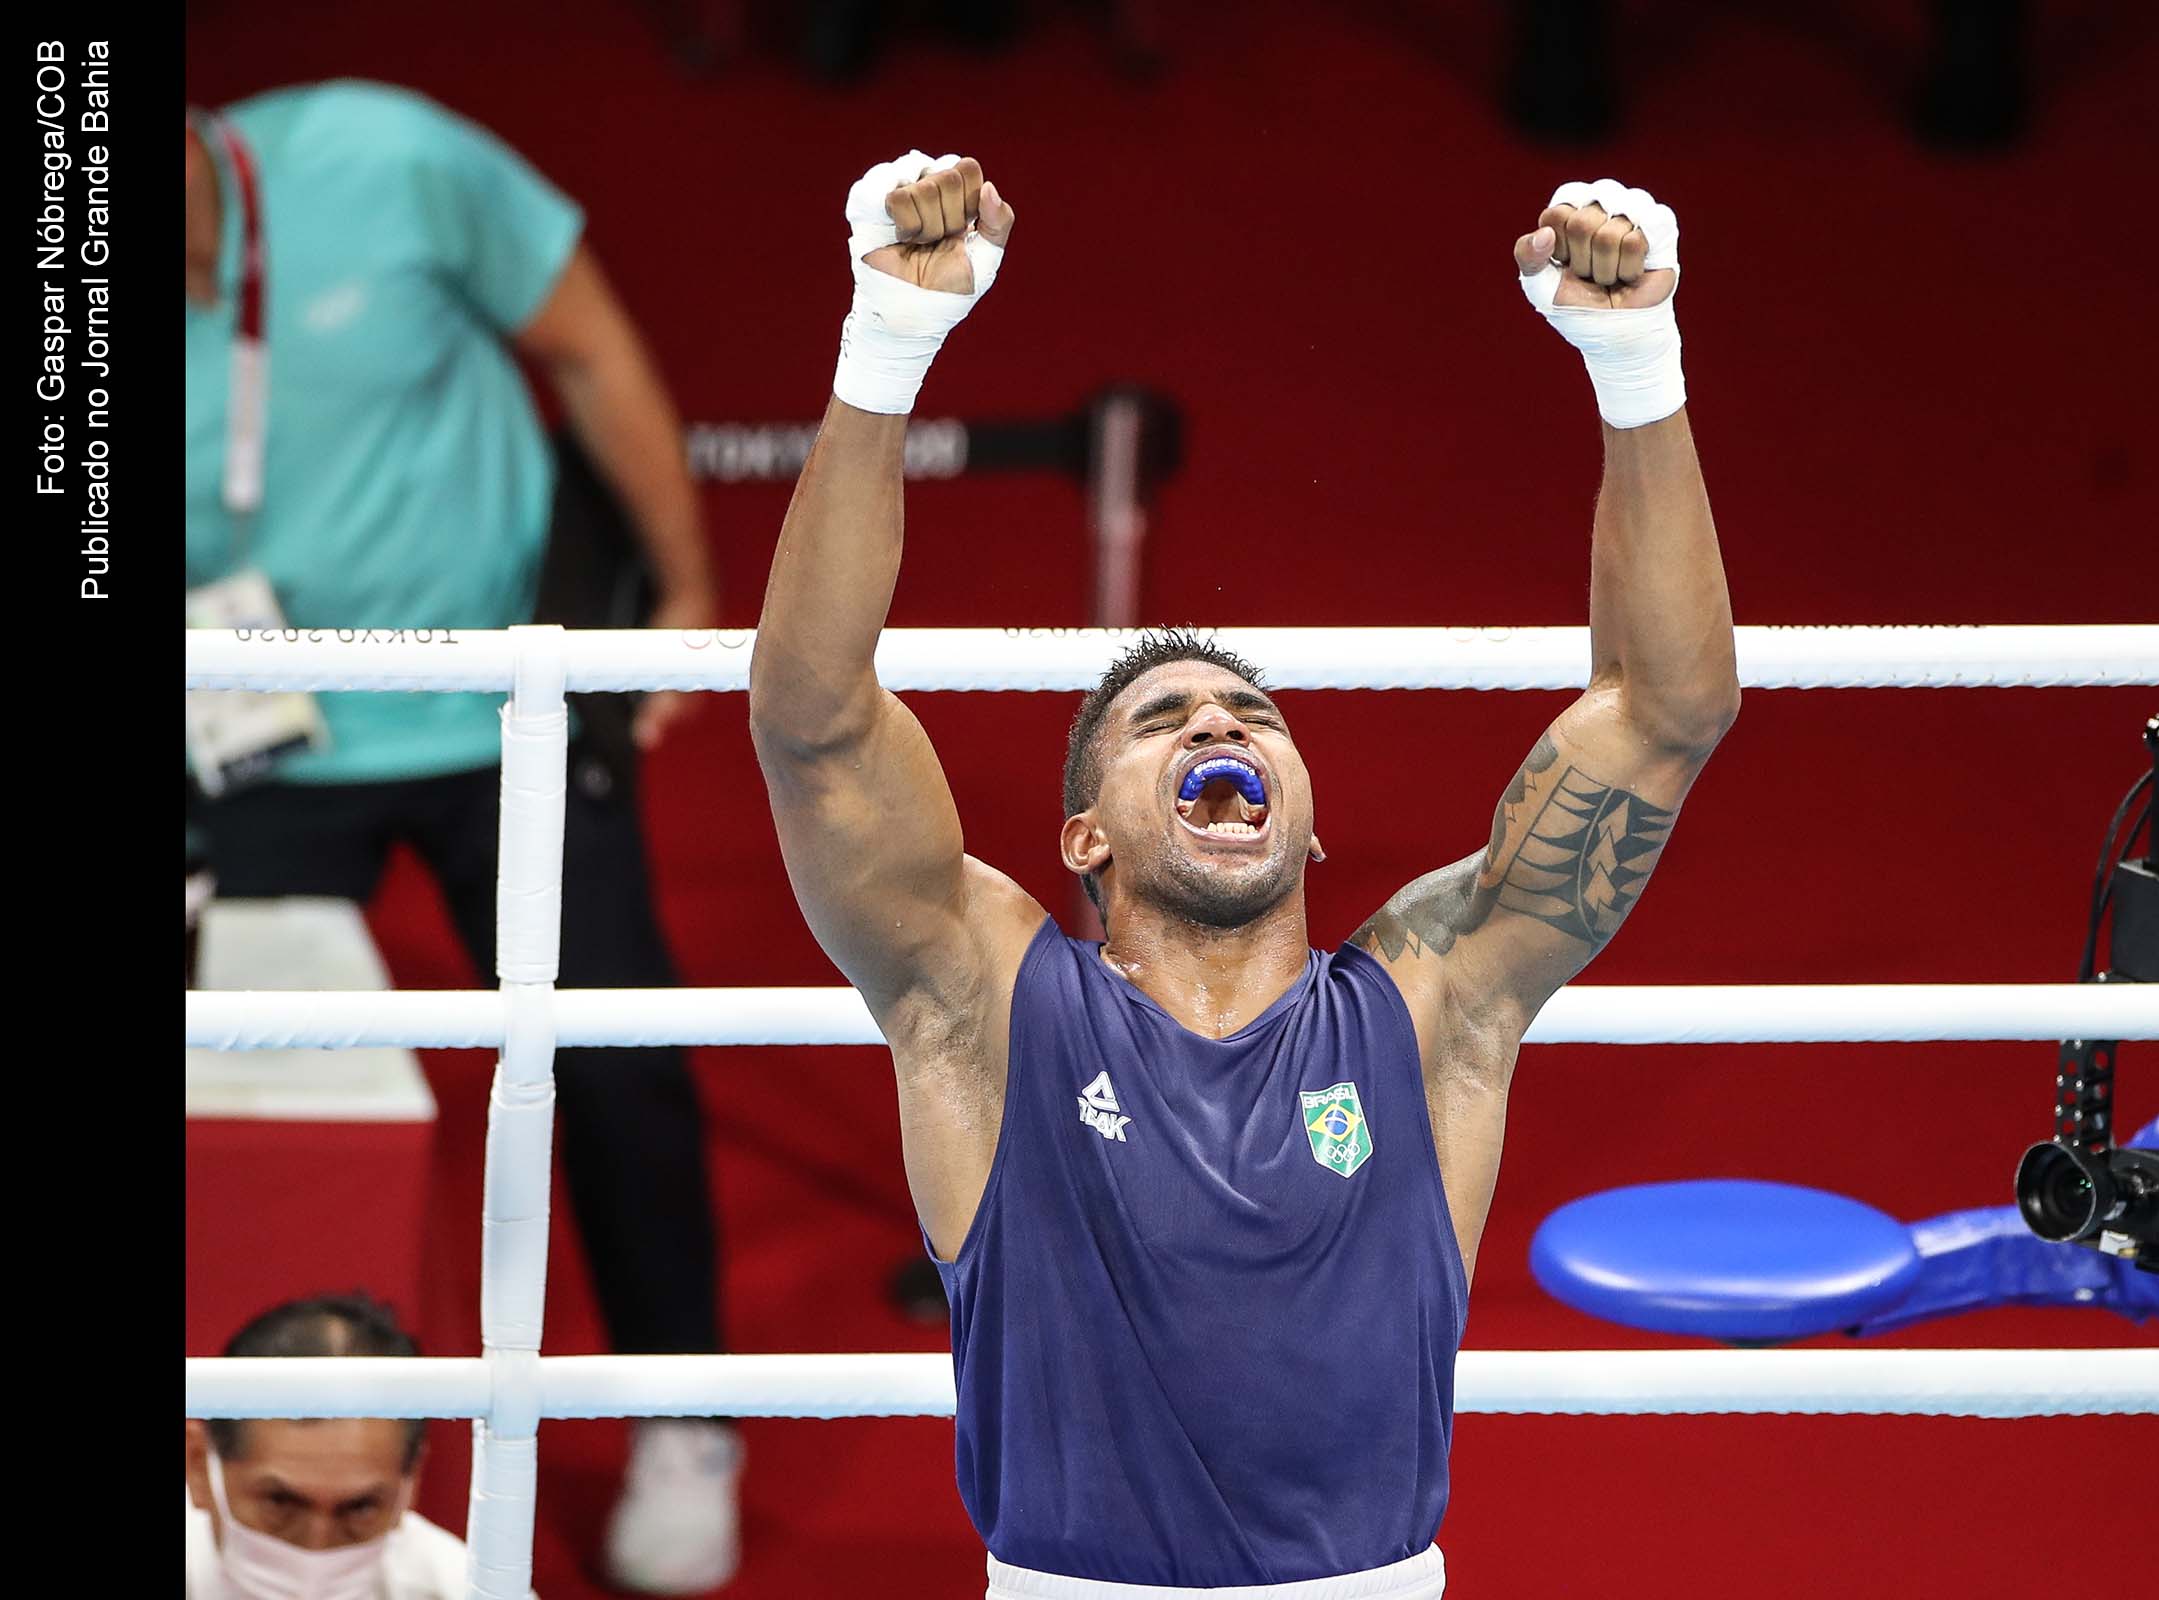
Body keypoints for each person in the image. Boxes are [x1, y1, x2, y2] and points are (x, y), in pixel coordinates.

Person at [749, 154, 1739, 1596]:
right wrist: (888, 342)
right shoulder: (987, 1006)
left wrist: (1636, 360)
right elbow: (813, 722)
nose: (1219, 724)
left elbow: (1663, 711)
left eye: (1252, 715)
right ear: (1084, 836)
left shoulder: (1434, 1004)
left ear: (1311, 825)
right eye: (1163, 721)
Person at [183, 81, 736, 1595]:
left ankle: (687, 1416)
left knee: (614, 1059)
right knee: (260, 1090)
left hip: (509, 701)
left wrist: (681, 594)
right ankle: (275, 1453)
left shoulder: (384, 157)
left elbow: (589, 346)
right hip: (258, 738)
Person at [185, 1293, 514, 1600]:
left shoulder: (466, 1591)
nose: (316, 1549)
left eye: (360, 1508)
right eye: (280, 1502)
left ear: (411, 1483)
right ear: (197, 1465)